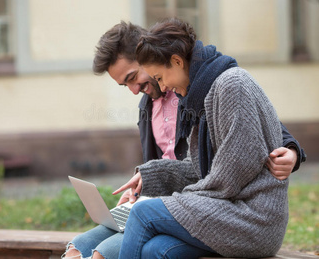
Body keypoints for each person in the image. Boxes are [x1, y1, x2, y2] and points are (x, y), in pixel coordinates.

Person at [62, 21, 306, 259]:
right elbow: (200, 167)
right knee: (141, 248)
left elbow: (241, 157)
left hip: (237, 213)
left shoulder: (219, 86)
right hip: (210, 207)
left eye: (136, 77)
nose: (160, 85)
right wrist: (149, 178)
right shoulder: (190, 95)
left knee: (134, 222)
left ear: (159, 59)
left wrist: (292, 151)